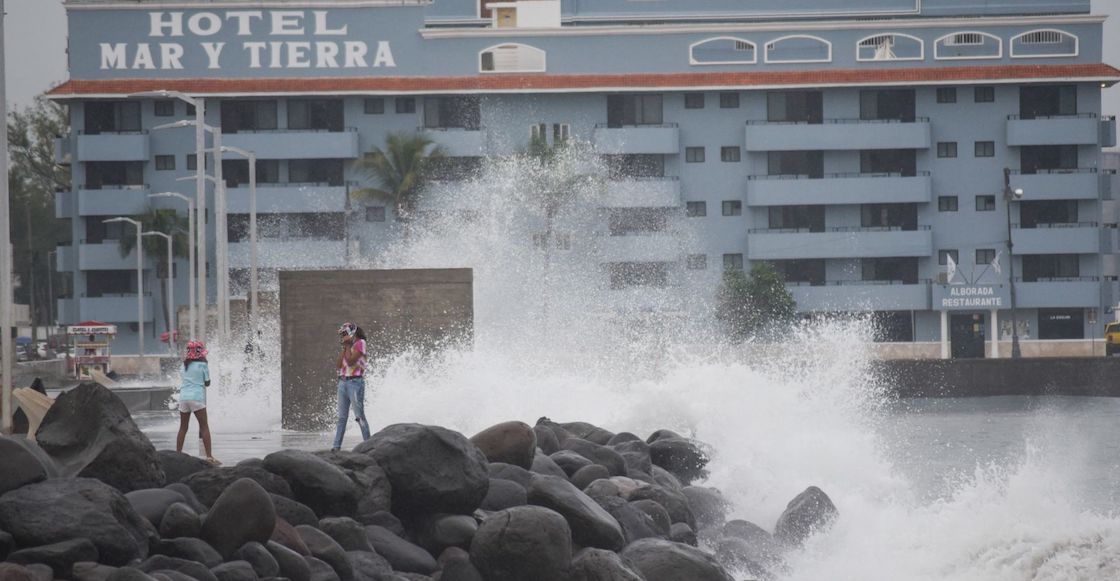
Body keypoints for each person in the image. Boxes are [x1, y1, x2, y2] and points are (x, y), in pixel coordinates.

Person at [176, 340, 220, 465]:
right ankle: (209, 456)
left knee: (183, 428)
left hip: (184, 398)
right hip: (197, 398)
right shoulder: (203, 366)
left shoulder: (183, 366)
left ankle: (177, 454)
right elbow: (207, 383)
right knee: (204, 427)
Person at [333, 322, 371, 450]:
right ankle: (336, 446)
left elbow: (350, 362)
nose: (342, 337)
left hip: (355, 383)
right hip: (343, 382)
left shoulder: (361, 343)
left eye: (344, 334)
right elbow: (339, 365)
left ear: (351, 333)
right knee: (342, 418)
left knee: (359, 416)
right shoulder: (347, 347)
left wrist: (348, 347)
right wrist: (344, 348)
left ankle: (369, 445)